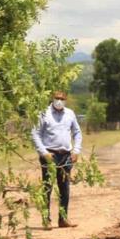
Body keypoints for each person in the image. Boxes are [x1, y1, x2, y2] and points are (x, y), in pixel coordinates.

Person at [31, 91, 83, 228]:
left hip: (66, 155)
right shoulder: (43, 113)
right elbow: (35, 134)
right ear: (52, 99)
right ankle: (46, 220)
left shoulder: (70, 114)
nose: (59, 101)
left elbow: (77, 132)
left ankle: (63, 219)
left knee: (64, 188)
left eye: (62, 99)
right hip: (50, 155)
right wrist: (43, 152)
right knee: (47, 187)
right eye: (57, 98)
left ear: (66, 99)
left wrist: (76, 151)